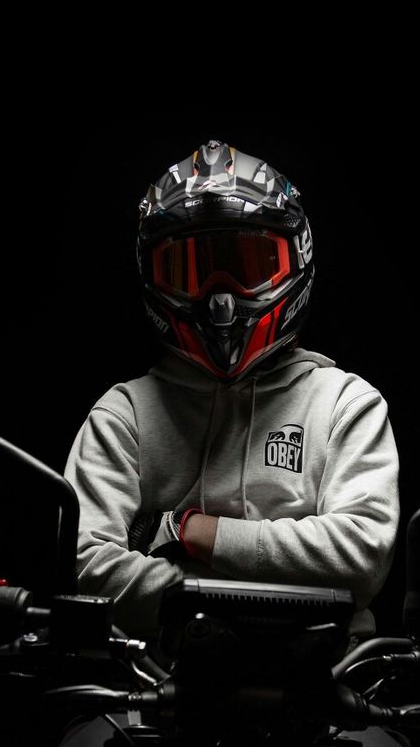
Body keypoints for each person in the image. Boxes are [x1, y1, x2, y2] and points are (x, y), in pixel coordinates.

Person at [64, 139, 400, 649]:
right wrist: (273, 593)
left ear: (298, 258)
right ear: (153, 277)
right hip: (153, 688)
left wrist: (193, 532)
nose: (221, 300)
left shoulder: (346, 405)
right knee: (80, 733)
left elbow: (360, 558)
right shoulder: (124, 415)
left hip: (327, 689)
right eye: (191, 271)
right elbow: (87, 570)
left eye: (247, 265)